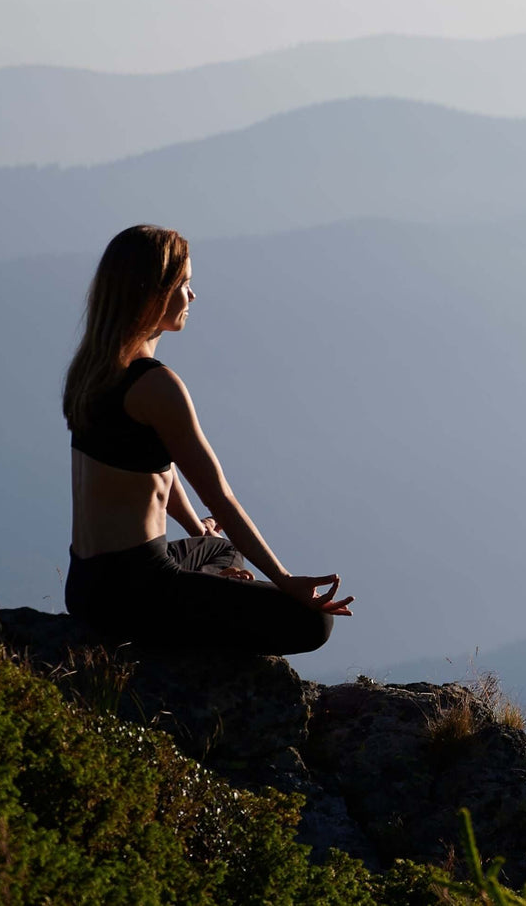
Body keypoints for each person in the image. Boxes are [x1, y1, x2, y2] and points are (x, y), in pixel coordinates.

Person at [63, 224, 353, 654]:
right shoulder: (158, 386)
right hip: (136, 590)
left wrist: (196, 528)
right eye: (183, 284)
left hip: (87, 583)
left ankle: (206, 583)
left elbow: (155, 463)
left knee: (219, 549)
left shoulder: (92, 371)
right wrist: (285, 580)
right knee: (315, 622)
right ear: (152, 293)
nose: (192, 296)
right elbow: (221, 496)